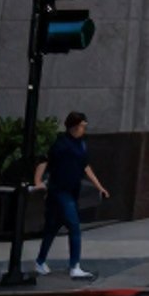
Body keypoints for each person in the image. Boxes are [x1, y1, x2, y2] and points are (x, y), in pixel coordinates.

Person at [33, 111, 108, 279]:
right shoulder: (61, 143)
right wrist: (38, 181)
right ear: (74, 126)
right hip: (59, 190)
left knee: (52, 227)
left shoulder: (81, 144)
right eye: (82, 126)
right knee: (74, 226)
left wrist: (99, 187)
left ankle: (40, 261)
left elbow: (85, 166)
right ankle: (74, 265)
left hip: (71, 190)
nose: (84, 129)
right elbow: (44, 160)